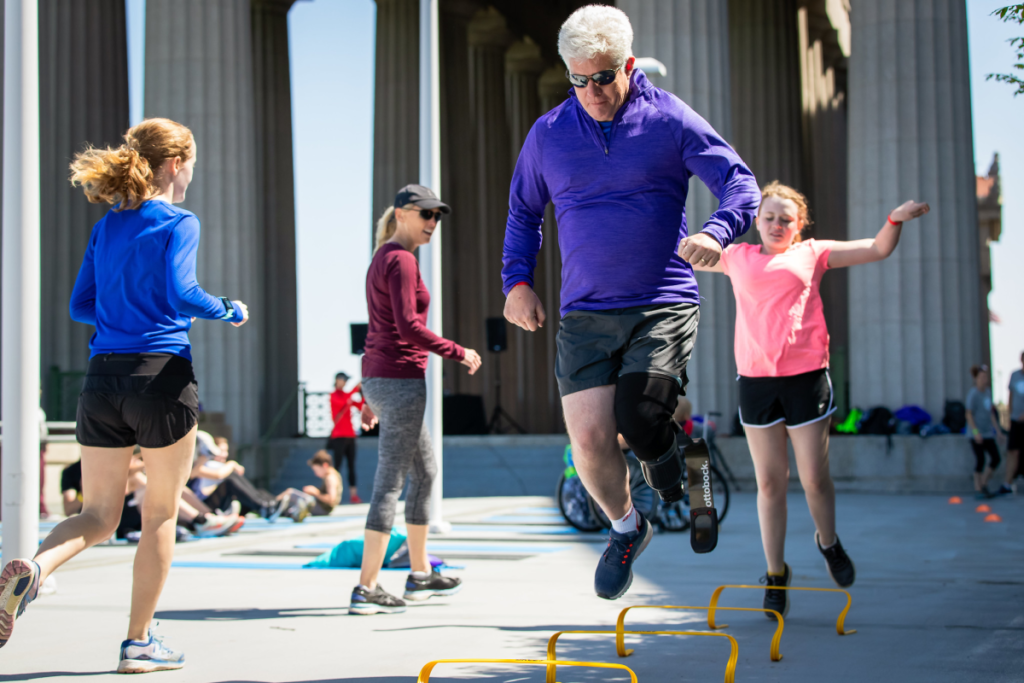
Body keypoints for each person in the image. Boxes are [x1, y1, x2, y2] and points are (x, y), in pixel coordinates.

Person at [502, 5, 760, 601]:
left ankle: (680, 475)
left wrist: (718, 230)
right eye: (578, 79)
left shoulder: (668, 119)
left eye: (603, 76)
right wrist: (516, 281)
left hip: (661, 301)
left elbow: (739, 181)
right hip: (585, 311)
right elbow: (522, 212)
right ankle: (627, 527)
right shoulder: (548, 134)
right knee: (589, 443)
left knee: (640, 422)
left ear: (630, 64)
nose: (591, 91)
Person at [0, 118, 249, 673]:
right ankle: (138, 643)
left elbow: (80, 307)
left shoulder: (109, 225)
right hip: (161, 377)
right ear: (175, 165)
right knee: (160, 513)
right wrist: (229, 309)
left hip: (102, 379)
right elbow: (184, 293)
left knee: (97, 514)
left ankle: (36, 571)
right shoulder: (180, 221)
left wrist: (121, 314)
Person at [692, 180, 929, 617]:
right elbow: (683, 250)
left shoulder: (813, 253)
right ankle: (776, 572)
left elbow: (877, 249)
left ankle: (828, 542)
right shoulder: (736, 257)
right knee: (769, 484)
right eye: (769, 217)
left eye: (786, 219)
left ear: (799, 225)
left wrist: (895, 218)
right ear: (756, 221)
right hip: (756, 381)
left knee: (815, 479)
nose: (777, 224)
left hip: (806, 378)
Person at [350, 184, 482, 615]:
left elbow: (377, 328)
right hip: (400, 380)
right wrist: (457, 351)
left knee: (425, 471)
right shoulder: (401, 260)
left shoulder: (382, 258)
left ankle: (421, 574)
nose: (432, 224)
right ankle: (367, 587)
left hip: (382, 378)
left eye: (437, 217)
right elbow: (407, 327)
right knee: (390, 482)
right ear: (403, 213)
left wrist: (370, 394)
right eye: (426, 214)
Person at [190, 435, 285, 522]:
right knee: (229, 480)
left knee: (258, 492)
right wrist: (232, 464)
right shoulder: (197, 467)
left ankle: (272, 506)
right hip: (205, 506)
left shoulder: (213, 465)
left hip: (220, 502)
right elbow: (219, 475)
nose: (224, 454)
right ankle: (264, 507)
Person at [327, 372, 364, 503]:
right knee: (336, 466)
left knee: (351, 466)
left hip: (350, 436)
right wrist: (355, 388)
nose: (345, 383)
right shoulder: (333, 396)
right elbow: (342, 403)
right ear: (337, 380)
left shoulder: (348, 397)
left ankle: (353, 495)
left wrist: (363, 393)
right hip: (338, 436)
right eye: (344, 380)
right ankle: (333, 495)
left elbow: (360, 406)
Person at [966, 364, 1001, 499]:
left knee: (995, 458)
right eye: (981, 377)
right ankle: (977, 488)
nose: (983, 379)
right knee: (980, 459)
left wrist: (997, 431)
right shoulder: (973, 394)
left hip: (987, 432)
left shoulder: (987, 393)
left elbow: (991, 413)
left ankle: (984, 483)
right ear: (976, 379)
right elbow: (968, 414)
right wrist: (975, 432)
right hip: (976, 434)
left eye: (985, 377)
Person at [275, 450, 343, 520]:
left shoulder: (330, 478)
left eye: (316, 470)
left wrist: (315, 492)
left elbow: (331, 499)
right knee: (293, 499)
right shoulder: (332, 475)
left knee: (291, 493)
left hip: (322, 509)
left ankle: (273, 505)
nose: (315, 474)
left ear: (325, 465)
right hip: (322, 507)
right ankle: (281, 508)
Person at [995, 351, 1024, 496]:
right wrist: (1010, 416)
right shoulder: (1015, 375)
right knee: (1012, 451)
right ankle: (1007, 483)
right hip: (1015, 422)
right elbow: (1010, 396)